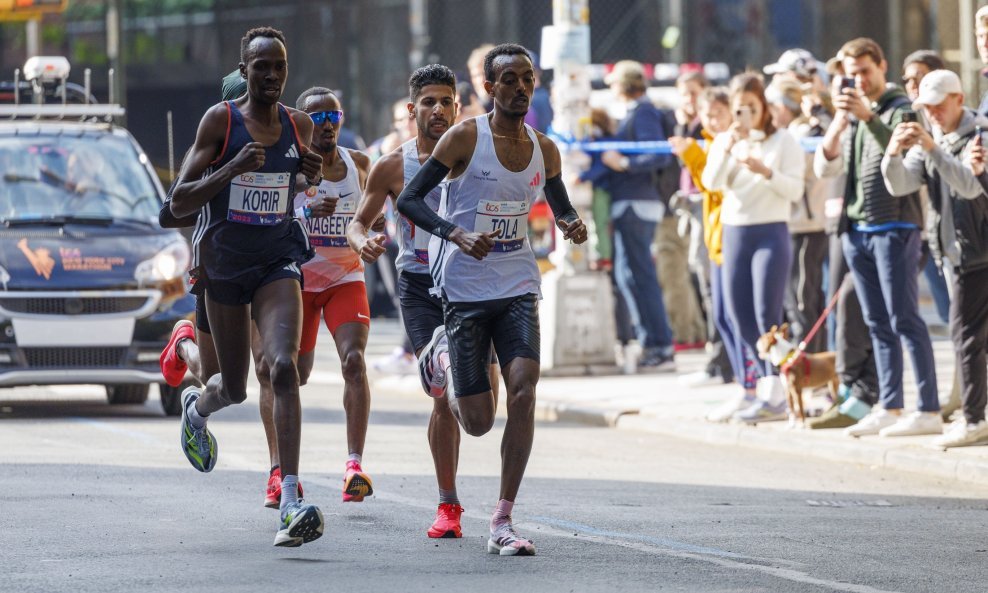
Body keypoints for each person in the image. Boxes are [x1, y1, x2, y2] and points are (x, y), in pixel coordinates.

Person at [396, 44, 588, 556]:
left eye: (528, 79)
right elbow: (409, 199)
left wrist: (569, 222)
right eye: (509, 79)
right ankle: (441, 363)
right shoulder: (464, 137)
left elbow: (558, 198)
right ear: (489, 87)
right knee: (478, 422)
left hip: (519, 285)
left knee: (524, 388)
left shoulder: (545, 148)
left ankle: (502, 519)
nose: (521, 87)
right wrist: (454, 234)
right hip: (463, 290)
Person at [169, 27, 326, 547]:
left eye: (280, 66)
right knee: (232, 387)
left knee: (282, 368)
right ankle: (198, 407)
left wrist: (309, 175)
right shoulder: (222, 120)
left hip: (278, 259)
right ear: (245, 68)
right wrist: (231, 168)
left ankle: (292, 499)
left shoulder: (297, 126)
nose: (273, 76)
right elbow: (176, 204)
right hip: (225, 267)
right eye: (262, 66)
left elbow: (301, 186)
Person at [348, 64, 497, 538]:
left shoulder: (479, 154)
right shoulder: (394, 165)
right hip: (420, 287)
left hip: (475, 283)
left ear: (458, 106)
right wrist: (363, 242)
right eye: (427, 103)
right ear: (412, 111)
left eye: (445, 102)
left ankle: (457, 375)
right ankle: (448, 505)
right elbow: (359, 222)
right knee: (443, 397)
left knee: (483, 412)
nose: (437, 110)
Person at [815, 37, 940, 438]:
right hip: (856, 230)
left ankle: (928, 407)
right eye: (851, 74)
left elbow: (904, 154)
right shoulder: (850, 112)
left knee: (905, 319)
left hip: (896, 227)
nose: (858, 81)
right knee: (876, 323)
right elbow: (826, 167)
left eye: (865, 71)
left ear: (881, 66)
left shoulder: (901, 107)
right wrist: (840, 120)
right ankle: (890, 404)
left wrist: (869, 117)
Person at [882, 69, 988, 447]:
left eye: (939, 107)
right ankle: (976, 414)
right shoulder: (932, 140)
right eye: (926, 109)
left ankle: (975, 419)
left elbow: (969, 185)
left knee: (965, 335)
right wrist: (893, 152)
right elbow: (900, 184)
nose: (932, 115)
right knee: (970, 336)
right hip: (955, 252)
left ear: (959, 99)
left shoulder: (980, 134)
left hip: (978, 250)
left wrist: (932, 148)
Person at [701, 72, 805, 424]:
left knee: (766, 313)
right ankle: (765, 385)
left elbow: (794, 191)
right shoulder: (727, 141)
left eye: (752, 107)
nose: (745, 115)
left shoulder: (783, 142)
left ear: (764, 108)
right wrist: (728, 148)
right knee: (737, 313)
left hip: (771, 230)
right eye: (739, 108)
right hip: (735, 231)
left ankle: (776, 388)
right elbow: (711, 183)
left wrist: (765, 171)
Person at [290, 86, 375, 500]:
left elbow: (384, 206)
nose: (327, 127)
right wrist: (306, 211)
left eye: (334, 118)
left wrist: (376, 238)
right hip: (300, 282)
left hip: (345, 277)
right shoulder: (291, 167)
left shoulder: (358, 164)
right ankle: (285, 469)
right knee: (297, 375)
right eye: (318, 119)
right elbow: (272, 216)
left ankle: (354, 467)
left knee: (354, 361)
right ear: (304, 124)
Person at [601, 59, 677, 371]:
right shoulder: (637, 111)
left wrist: (624, 164)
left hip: (637, 202)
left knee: (638, 275)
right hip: (631, 202)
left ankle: (659, 345)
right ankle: (653, 343)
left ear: (624, 84)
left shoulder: (643, 111)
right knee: (628, 275)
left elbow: (658, 153)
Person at [765, 79, 830, 355]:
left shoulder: (801, 132)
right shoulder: (786, 133)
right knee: (798, 295)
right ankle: (810, 358)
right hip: (792, 222)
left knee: (804, 297)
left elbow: (795, 176)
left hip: (807, 222)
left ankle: (810, 361)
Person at [902, 50, 952, 328]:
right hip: (918, 227)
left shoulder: (956, 121)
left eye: (918, 78)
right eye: (906, 79)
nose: (911, 85)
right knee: (947, 312)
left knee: (960, 311)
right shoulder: (904, 119)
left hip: (952, 228)